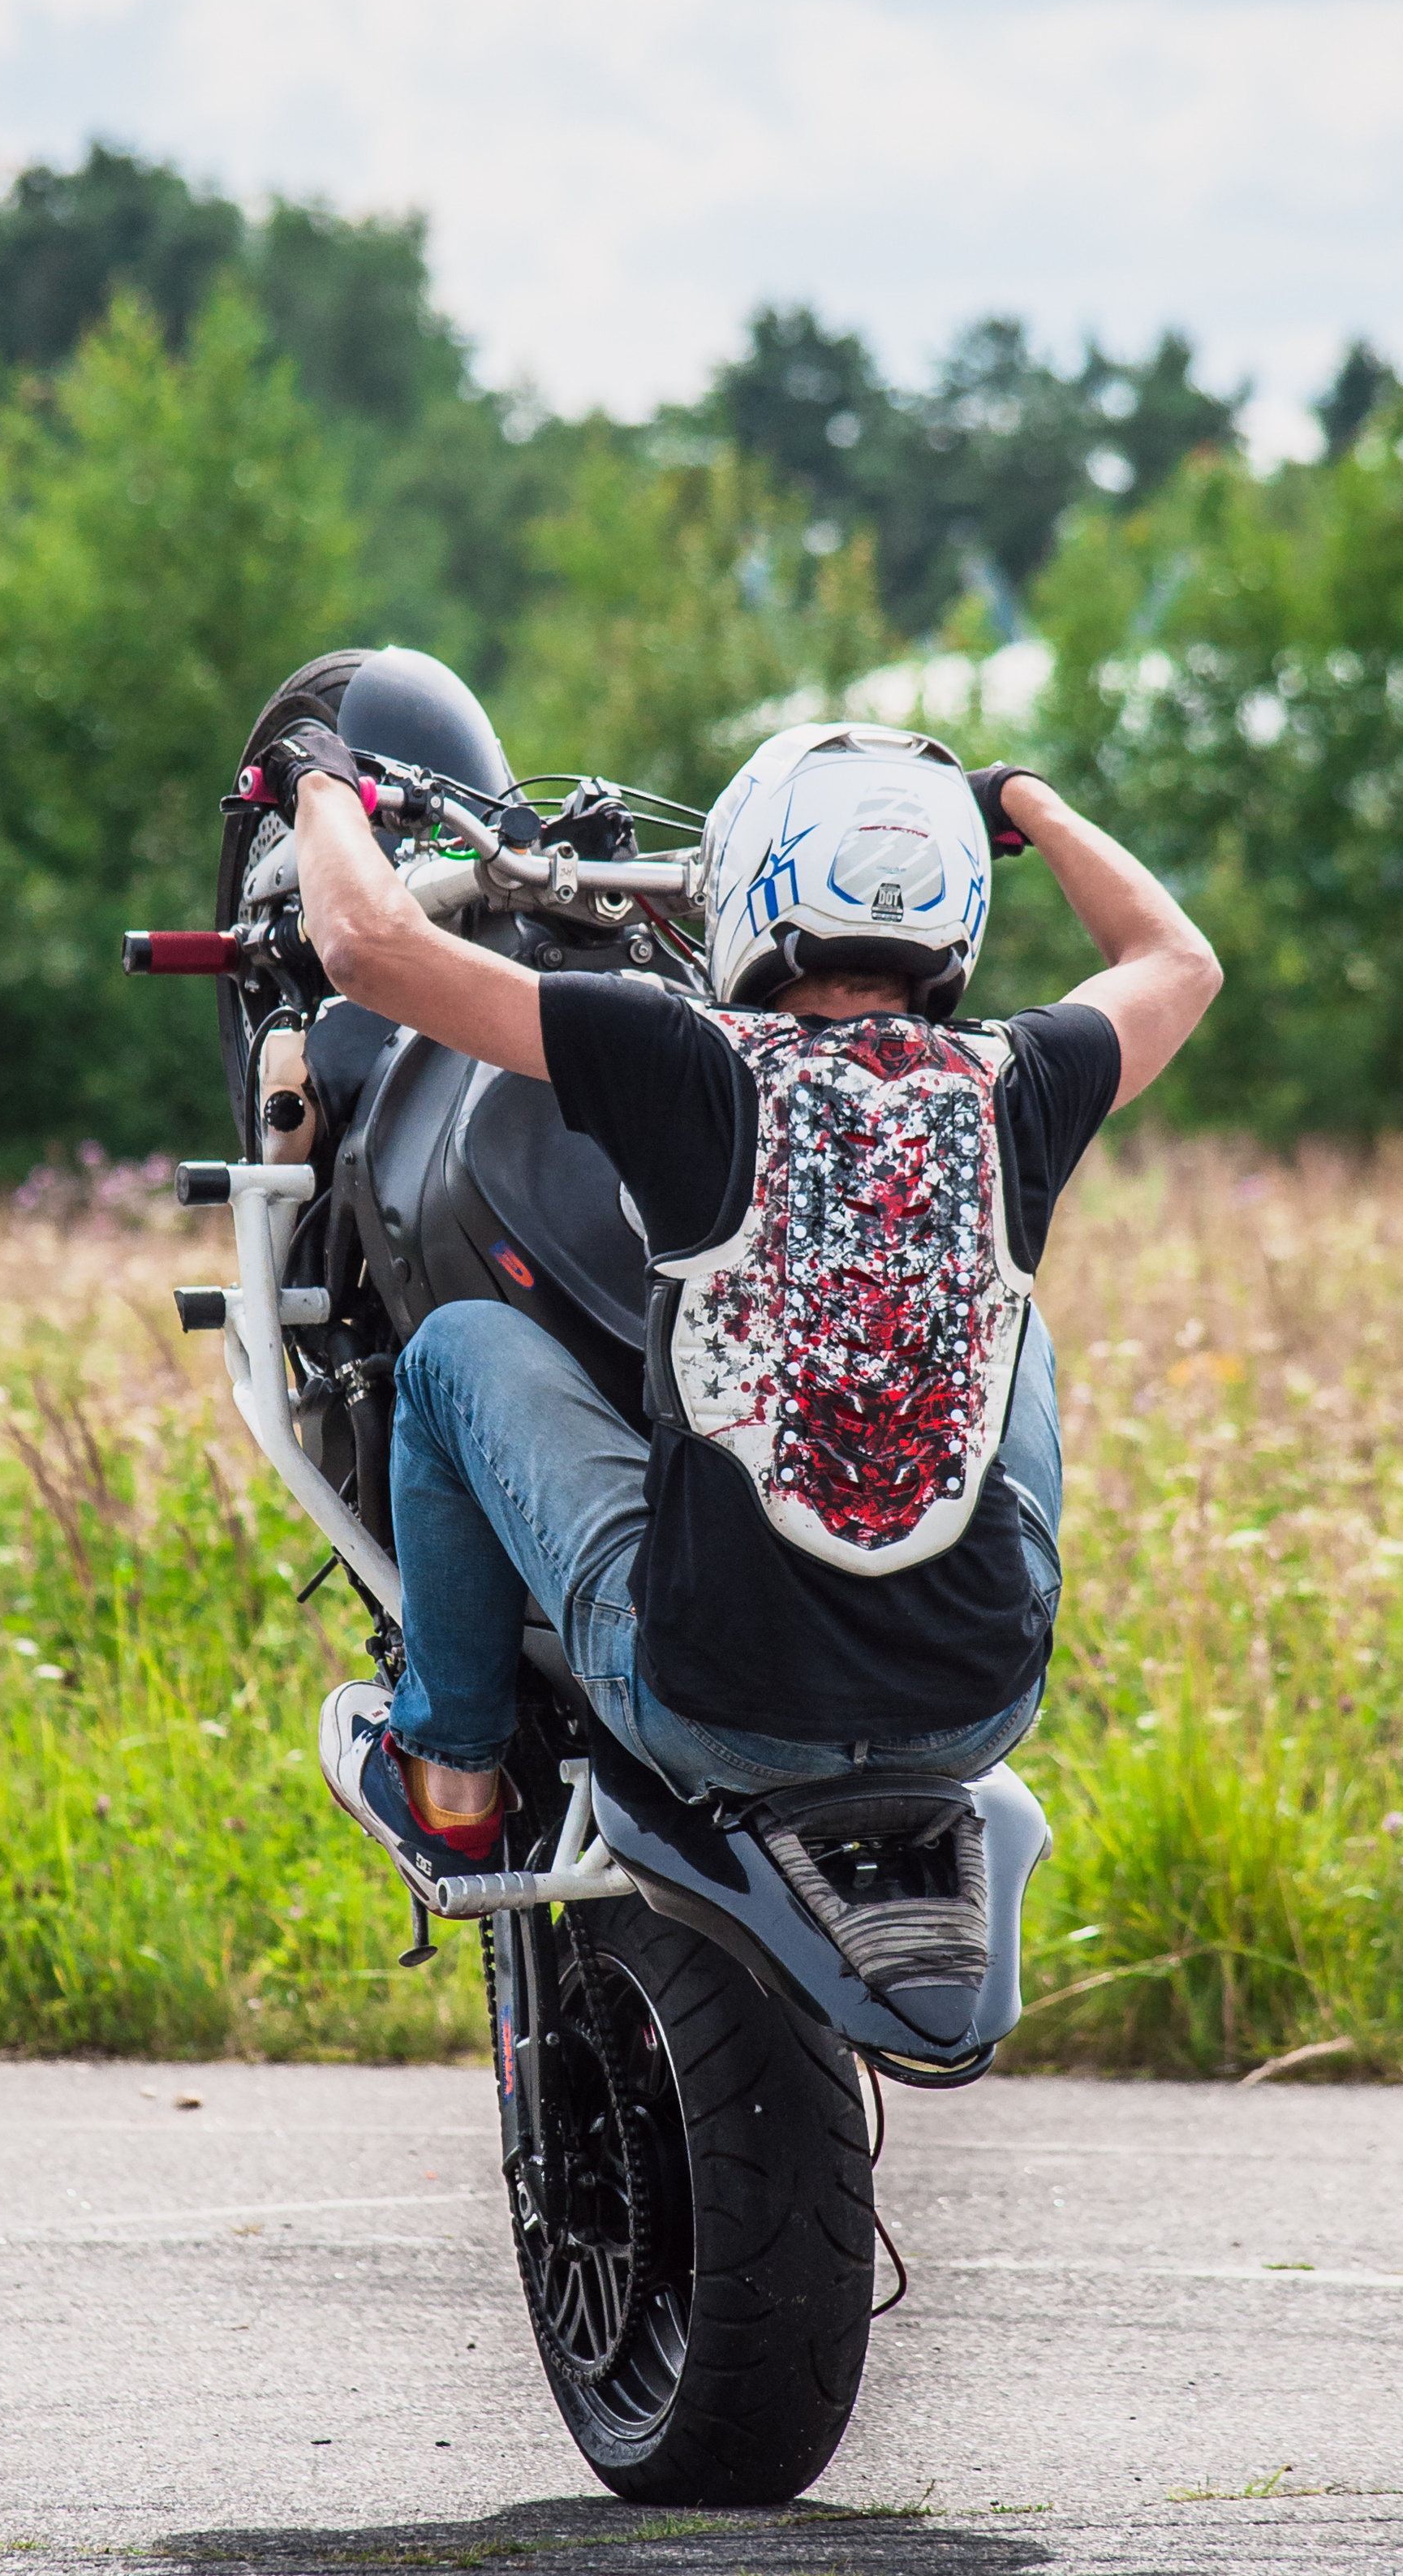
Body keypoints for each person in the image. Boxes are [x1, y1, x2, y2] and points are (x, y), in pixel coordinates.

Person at [256, 715, 1220, 1900]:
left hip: (716, 1710)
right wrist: (1028, 796)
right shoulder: (1024, 1077)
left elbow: (366, 948)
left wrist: (322, 785)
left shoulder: (687, 1060)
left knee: (453, 1351)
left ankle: (451, 1770)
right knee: (1015, 1330)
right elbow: (1180, 960)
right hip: (980, 1706)